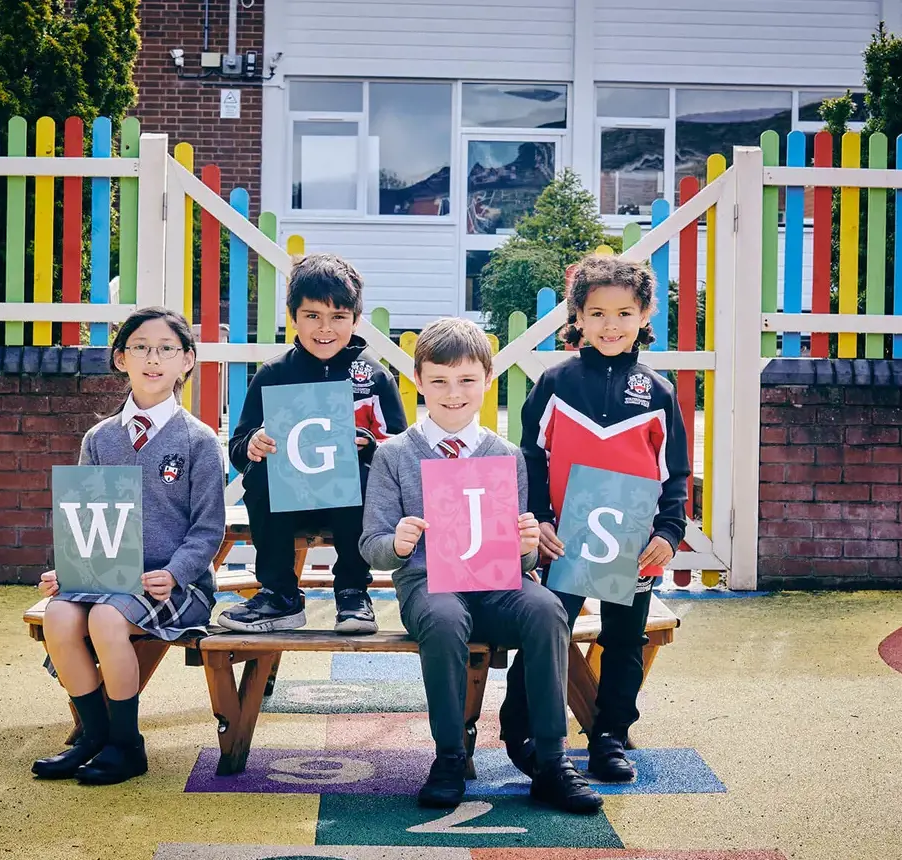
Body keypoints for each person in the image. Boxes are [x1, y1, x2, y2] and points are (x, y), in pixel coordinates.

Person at [359, 317, 603, 814]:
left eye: (467, 380)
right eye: (439, 381)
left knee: (546, 608)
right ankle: (450, 755)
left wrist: (527, 547)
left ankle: (551, 760)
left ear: (487, 381)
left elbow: (522, 555)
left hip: (497, 584)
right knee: (446, 619)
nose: (453, 393)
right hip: (430, 586)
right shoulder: (394, 454)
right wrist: (399, 544)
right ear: (418, 380)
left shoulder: (505, 455)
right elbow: (372, 543)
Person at [501, 255, 692, 783]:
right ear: (577, 317)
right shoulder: (556, 383)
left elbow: (674, 473)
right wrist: (538, 519)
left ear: (644, 315)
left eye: (625, 313)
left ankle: (609, 736)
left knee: (624, 640)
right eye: (598, 313)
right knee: (547, 631)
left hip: (631, 543)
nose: (612, 325)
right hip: (564, 540)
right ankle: (519, 728)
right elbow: (530, 458)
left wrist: (669, 534)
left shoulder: (658, 391)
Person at [32, 306, 227, 785]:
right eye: (140, 347)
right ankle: (94, 737)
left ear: (187, 361)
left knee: (105, 616)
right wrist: (69, 571)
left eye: (166, 349)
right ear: (121, 359)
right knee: (59, 614)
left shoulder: (199, 441)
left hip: (174, 586)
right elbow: (85, 515)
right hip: (106, 575)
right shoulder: (100, 439)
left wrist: (176, 572)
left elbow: (208, 530)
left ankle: (127, 744)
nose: (152, 358)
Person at [220, 254, 408, 635]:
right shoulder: (273, 374)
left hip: (353, 509)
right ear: (293, 316)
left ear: (356, 319)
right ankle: (280, 595)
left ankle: (353, 591)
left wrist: (368, 446)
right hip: (289, 508)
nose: (325, 328)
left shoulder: (374, 378)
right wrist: (254, 445)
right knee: (262, 473)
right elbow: (238, 448)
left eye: (338, 317)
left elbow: (399, 452)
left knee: (363, 470)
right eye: (312, 316)